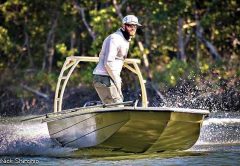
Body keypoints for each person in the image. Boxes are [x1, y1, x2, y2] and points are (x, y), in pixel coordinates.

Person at [92, 15, 142, 105]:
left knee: (117, 105)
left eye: (135, 26)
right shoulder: (115, 38)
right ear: (123, 26)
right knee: (117, 107)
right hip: (104, 77)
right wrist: (117, 80)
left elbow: (102, 55)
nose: (133, 28)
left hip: (109, 77)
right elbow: (108, 62)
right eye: (130, 25)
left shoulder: (124, 39)